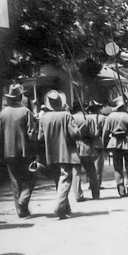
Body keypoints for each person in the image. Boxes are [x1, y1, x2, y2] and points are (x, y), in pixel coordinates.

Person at [38, 90, 81, 219]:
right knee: (66, 178)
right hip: (66, 152)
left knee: (59, 180)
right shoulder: (66, 116)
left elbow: (40, 138)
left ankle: (65, 207)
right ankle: (59, 207)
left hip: (50, 153)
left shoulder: (44, 118)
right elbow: (75, 134)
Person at [0, 84, 36, 218]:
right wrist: (35, 150)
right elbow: (32, 134)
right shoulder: (26, 112)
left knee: (15, 181)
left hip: (8, 152)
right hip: (25, 151)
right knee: (30, 177)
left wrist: (0, 153)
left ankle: (20, 210)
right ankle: (23, 201)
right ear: (20, 96)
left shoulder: (3, 113)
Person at [102, 96, 128, 197]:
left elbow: (105, 133)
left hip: (114, 142)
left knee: (117, 167)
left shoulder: (110, 116)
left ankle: (121, 188)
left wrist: (105, 146)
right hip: (127, 141)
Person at [72, 101, 100, 202]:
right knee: (91, 171)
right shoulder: (88, 118)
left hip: (74, 147)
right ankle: (95, 193)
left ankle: (78, 195)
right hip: (86, 146)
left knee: (76, 172)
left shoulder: (70, 118)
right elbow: (94, 134)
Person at [85, 100, 106, 188]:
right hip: (98, 142)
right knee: (98, 164)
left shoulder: (85, 117)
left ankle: (91, 182)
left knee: (89, 164)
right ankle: (96, 183)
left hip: (87, 143)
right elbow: (105, 132)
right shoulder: (102, 118)